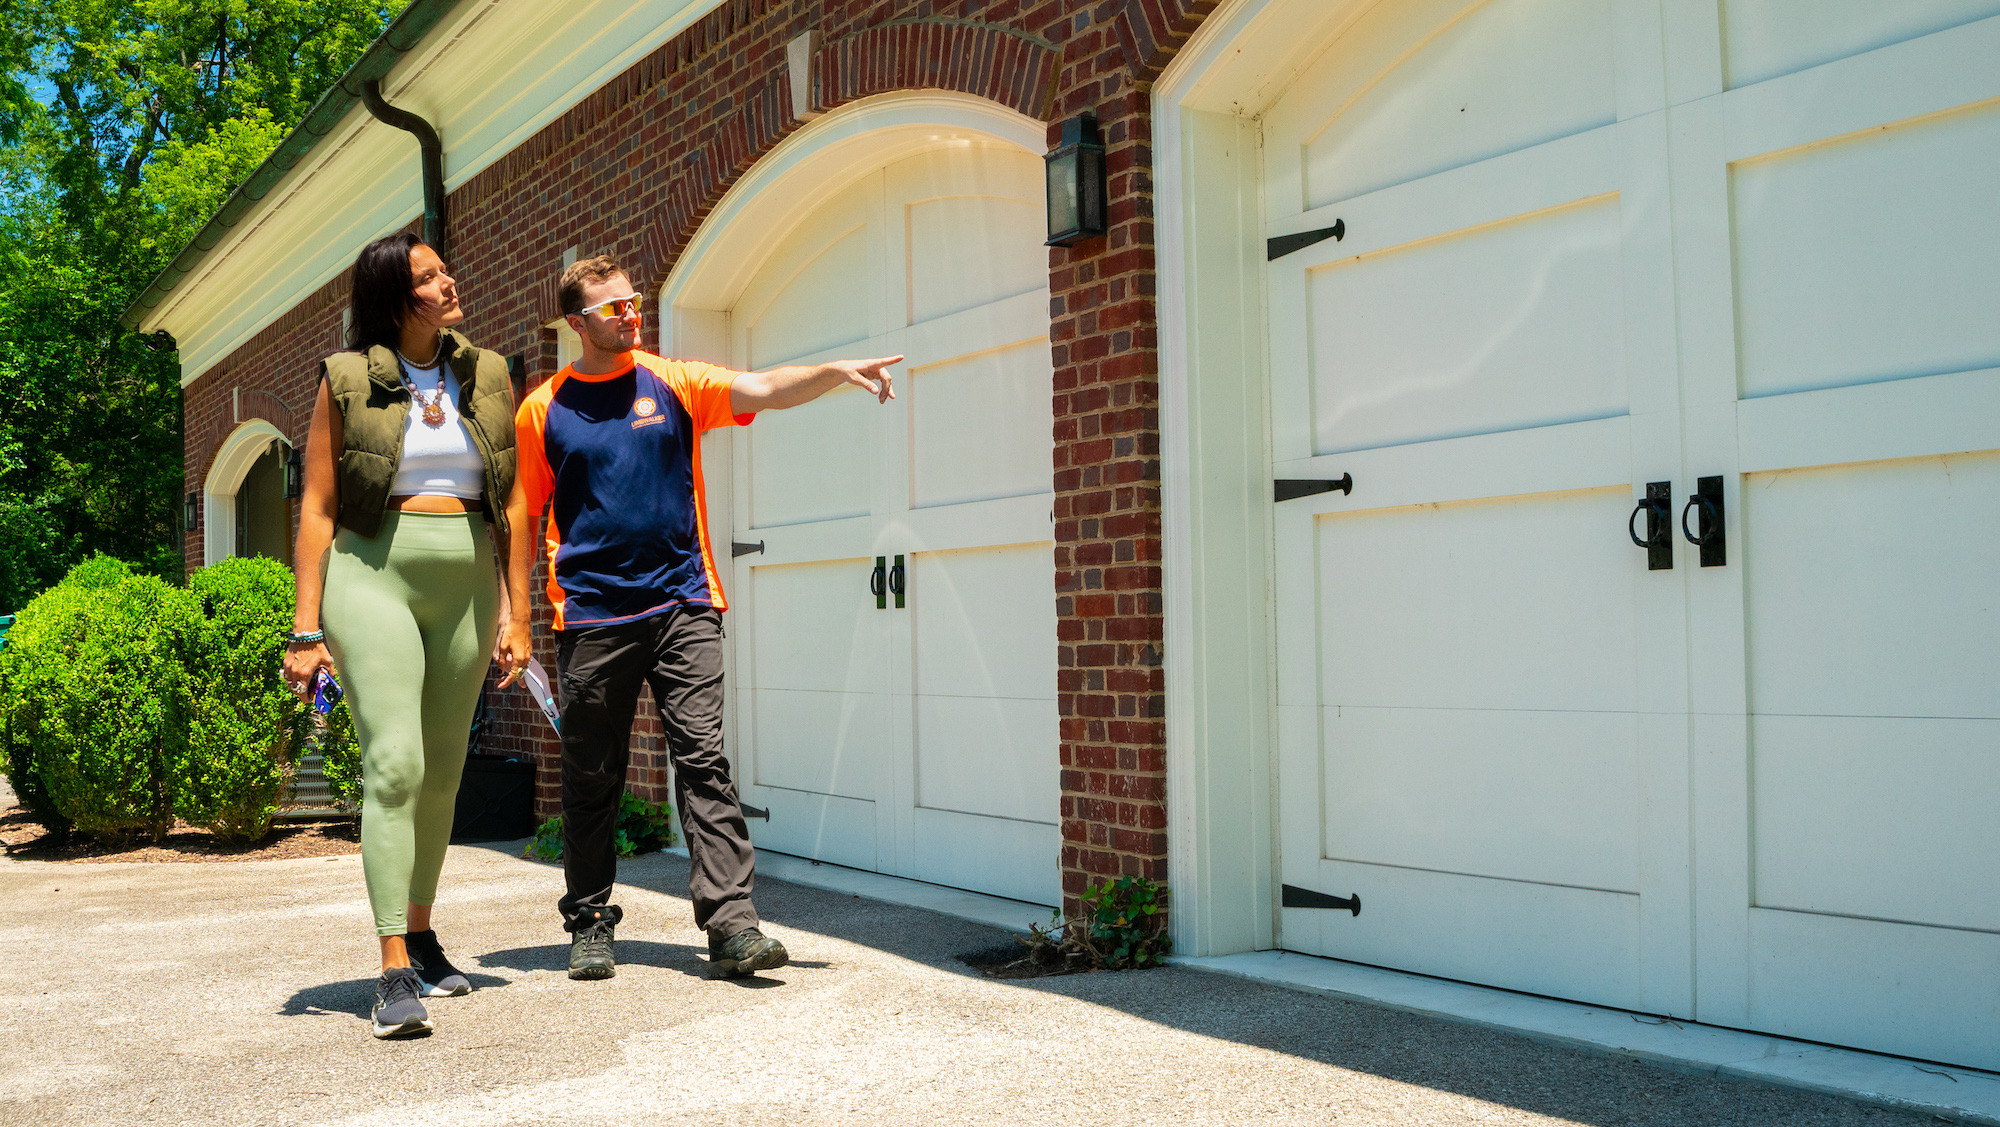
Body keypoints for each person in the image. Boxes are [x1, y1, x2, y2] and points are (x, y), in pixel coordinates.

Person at [503, 254, 898, 980]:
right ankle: (589, 918)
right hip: (591, 614)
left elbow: (762, 387)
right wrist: (515, 617)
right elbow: (523, 514)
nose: (630, 315)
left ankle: (732, 924)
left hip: (685, 599)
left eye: (633, 303)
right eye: (613, 308)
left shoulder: (674, 382)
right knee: (593, 772)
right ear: (576, 323)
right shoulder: (544, 407)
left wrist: (835, 370)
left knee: (703, 759)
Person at [285, 231, 532, 1038]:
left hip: (464, 575)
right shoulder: (347, 378)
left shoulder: (487, 373)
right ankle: (392, 968)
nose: (449, 282)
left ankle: (421, 931)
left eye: (444, 269)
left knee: (442, 773)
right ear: (396, 297)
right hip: (374, 573)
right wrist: (304, 629)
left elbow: (517, 503)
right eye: (428, 277)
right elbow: (318, 507)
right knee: (394, 763)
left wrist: (516, 610)